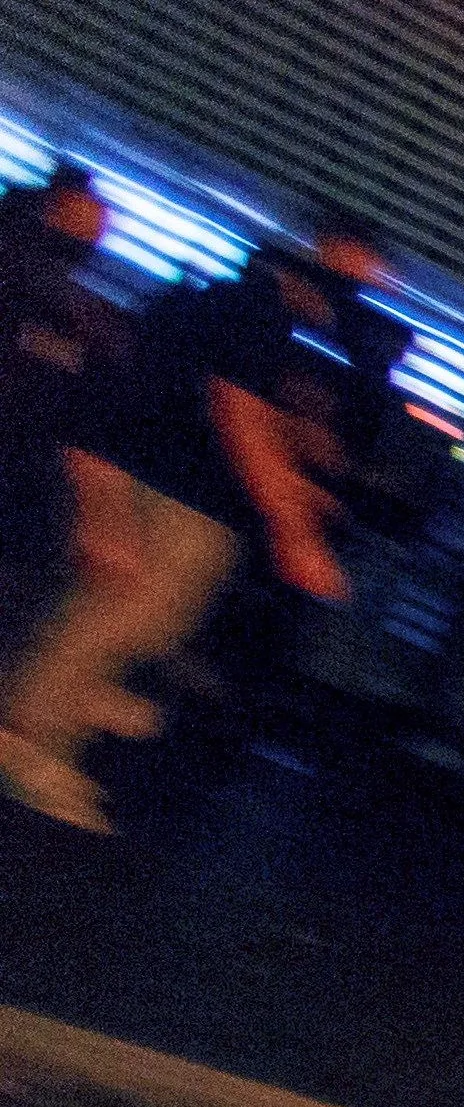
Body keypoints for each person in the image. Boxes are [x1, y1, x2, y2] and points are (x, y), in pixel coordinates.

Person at [3, 211, 381, 830]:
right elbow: (237, 417)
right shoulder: (258, 313)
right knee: (110, 625)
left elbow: (229, 411)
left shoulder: (228, 308)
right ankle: (29, 744)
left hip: (163, 489)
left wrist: (296, 487)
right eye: (355, 280)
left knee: (130, 626)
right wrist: (296, 534)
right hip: (170, 496)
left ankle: (53, 719)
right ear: (324, 258)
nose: (353, 302)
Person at [0, 171, 122, 659]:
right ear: (60, 207)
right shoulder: (26, 267)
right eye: (93, 224)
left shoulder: (53, 287)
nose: (98, 237)